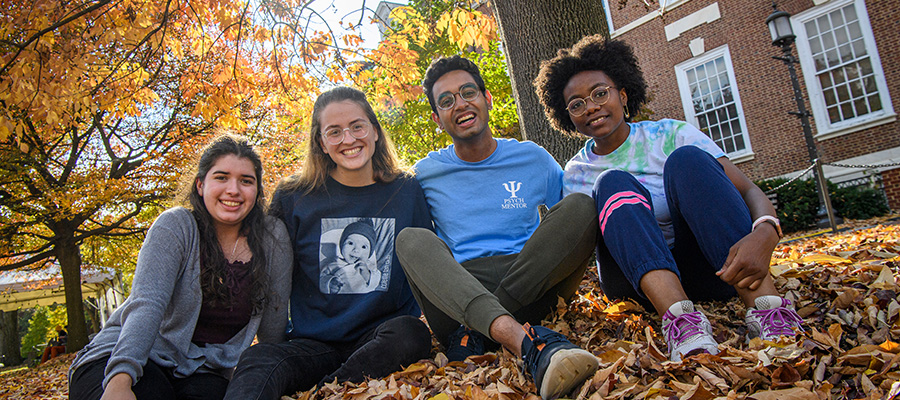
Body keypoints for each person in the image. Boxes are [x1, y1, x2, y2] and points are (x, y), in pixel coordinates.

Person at [534, 36, 804, 362]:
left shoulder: (670, 134)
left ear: (622, 93)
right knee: (613, 181)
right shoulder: (575, 172)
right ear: (568, 118)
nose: (590, 106)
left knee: (688, 159)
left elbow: (747, 189)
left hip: (712, 269)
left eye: (600, 93)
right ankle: (681, 322)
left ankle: (768, 310)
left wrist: (764, 232)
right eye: (576, 104)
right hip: (637, 285)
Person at [395, 56, 600, 400]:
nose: (460, 104)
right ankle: (519, 338)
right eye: (446, 101)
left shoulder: (533, 158)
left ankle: (478, 335)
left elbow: (567, 227)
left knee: (582, 205)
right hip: (461, 295)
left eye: (467, 92)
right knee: (410, 239)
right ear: (437, 118)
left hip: (534, 285)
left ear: (486, 98)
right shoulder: (426, 173)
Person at [223, 86, 433, 400]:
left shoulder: (406, 190)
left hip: (380, 339)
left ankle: (324, 394)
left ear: (374, 131)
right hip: (313, 346)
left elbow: (425, 264)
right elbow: (264, 268)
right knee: (260, 359)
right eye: (334, 132)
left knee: (411, 333)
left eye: (357, 127)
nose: (348, 139)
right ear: (320, 142)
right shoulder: (295, 196)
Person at [67, 134, 293, 400]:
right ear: (200, 185)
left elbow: (273, 328)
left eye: (246, 181)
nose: (233, 190)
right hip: (128, 355)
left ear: (257, 190)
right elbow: (147, 303)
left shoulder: (273, 237)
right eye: (221, 177)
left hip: (203, 370)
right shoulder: (175, 226)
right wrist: (120, 379)